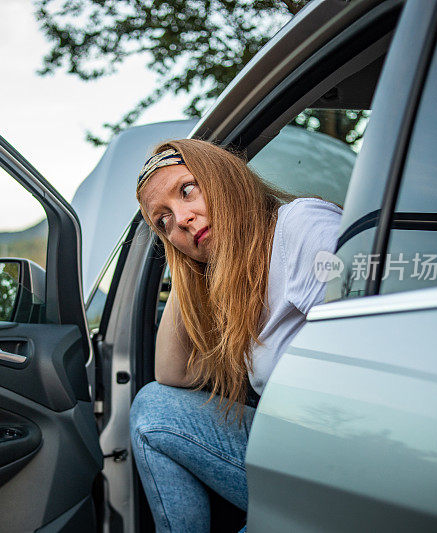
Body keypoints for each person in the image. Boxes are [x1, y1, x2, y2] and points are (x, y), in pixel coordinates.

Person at [129, 139, 342, 532]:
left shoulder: (302, 226)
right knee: (152, 407)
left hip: (340, 464)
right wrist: (186, 260)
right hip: (290, 449)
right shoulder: (237, 281)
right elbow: (171, 375)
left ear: (221, 175)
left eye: (188, 189)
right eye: (164, 221)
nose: (182, 218)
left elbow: (366, 346)